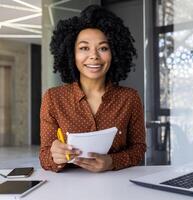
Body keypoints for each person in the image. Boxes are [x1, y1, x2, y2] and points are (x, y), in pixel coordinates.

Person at [39, 4, 146, 173]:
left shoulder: (130, 98)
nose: (94, 56)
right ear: (71, 54)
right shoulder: (53, 98)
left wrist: (111, 161)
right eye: (84, 48)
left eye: (103, 48)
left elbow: (138, 149)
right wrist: (55, 157)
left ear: (114, 53)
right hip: (68, 190)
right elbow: (44, 156)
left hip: (118, 188)